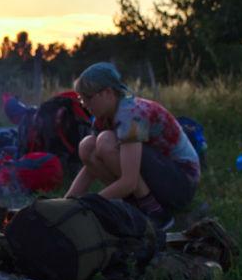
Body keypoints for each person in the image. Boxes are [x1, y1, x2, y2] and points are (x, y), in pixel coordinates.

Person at [64, 62, 200, 230]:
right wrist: (67, 204)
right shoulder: (103, 117)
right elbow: (90, 166)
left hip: (180, 183)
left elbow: (129, 181)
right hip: (158, 176)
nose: (84, 104)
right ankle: (136, 206)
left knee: (105, 142)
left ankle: (156, 213)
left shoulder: (132, 114)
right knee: (87, 146)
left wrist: (89, 205)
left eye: (88, 97)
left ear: (107, 92)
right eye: (81, 98)